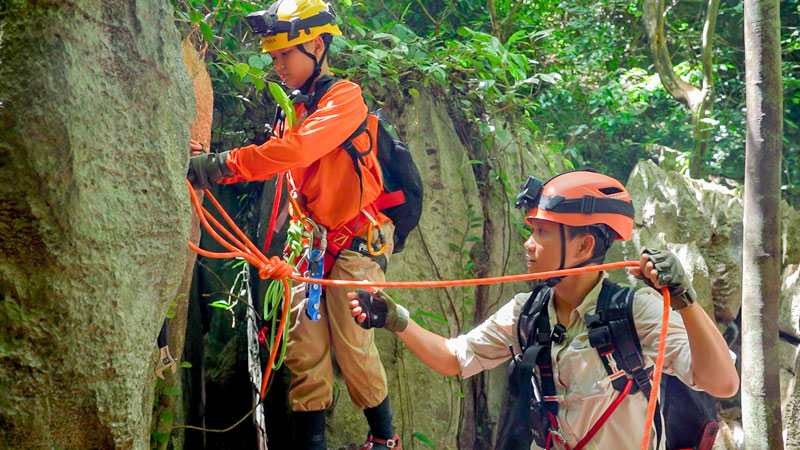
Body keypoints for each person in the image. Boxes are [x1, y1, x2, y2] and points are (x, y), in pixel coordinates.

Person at [348, 170, 739, 449]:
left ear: (584, 247)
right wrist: (395, 319)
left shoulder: (636, 311)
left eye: (542, 232)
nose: (528, 245)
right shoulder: (527, 313)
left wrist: (684, 299)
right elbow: (455, 358)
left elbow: (722, 383)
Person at [187, 1, 401, 448]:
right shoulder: (296, 108)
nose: (277, 64)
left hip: (359, 240)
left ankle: (384, 440)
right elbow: (288, 168)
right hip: (316, 245)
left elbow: (296, 153)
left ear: (318, 46)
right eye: (274, 55)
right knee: (305, 356)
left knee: (353, 347)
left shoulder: (345, 98)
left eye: (285, 54)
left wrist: (222, 165)